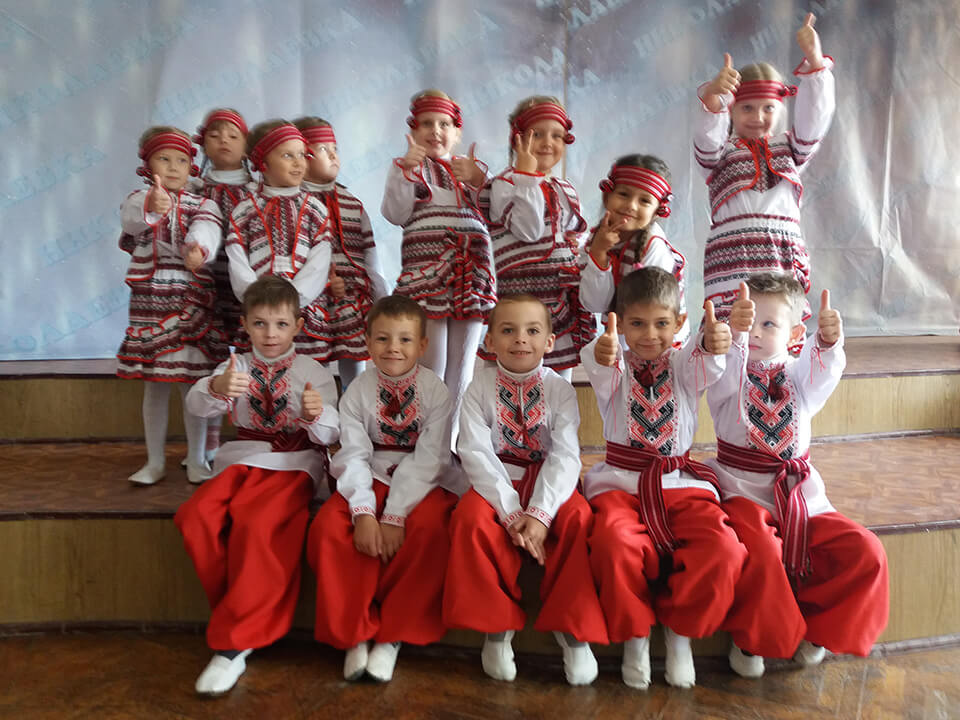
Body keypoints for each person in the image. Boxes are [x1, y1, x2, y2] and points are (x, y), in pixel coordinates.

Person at [706, 273, 889, 678]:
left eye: (768, 323)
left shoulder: (799, 376)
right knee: (762, 553)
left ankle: (822, 632)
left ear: (794, 334)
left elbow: (822, 370)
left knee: (864, 551)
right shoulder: (727, 375)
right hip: (740, 491)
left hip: (800, 495)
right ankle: (752, 640)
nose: (755, 332)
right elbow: (720, 367)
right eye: (747, 321)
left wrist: (827, 342)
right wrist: (733, 336)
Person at [580, 267, 746, 689]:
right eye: (636, 323)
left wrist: (711, 341)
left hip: (681, 484)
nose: (649, 335)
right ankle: (634, 635)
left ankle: (680, 632)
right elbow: (600, 362)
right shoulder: (613, 362)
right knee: (613, 543)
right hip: (620, 484)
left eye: (661, 323)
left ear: (679, 323)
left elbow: (705, 359)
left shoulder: (683, 364)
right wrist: (604, 349)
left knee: (724, 549)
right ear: (618, 323)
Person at [175, 274, 340, 696]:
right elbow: (197, 405)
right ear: (245, 324)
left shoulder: (312, 370)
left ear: (298, 325)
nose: (270, 334)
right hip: (240, 460)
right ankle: (240, 608)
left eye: (281, 324)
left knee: (258, 524)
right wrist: (215, 387)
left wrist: (316, 414)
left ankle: (235, 642)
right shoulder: (236, 366)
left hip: (292, 465)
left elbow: (332, 432)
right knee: (195, 517)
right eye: (261, 324)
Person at [443, 295, 607, 686]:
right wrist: (512, 513)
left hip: (549, 479)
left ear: (549, 342)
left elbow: (566, 454)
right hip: (496, 479)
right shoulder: (478, 388)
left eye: (532, 331)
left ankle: (571, 628)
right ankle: (496, 627)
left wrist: (541, 513)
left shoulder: (560, 389)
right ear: (489, 341)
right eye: (508, 330)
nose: (520, 339)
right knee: (470, 519)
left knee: (578, 518)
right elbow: (474, 451)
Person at [307, 295, 460, 682]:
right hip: (369, 474)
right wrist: (363, 512)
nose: (393, 348)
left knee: (429, 529)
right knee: (329, 529)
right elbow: (353, 453)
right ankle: (353, 632)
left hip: (423, 478)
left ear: (422, 345)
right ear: (367, 342)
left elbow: (432, 457)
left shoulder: (436, 391)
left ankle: (394, 633)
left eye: (405, 339)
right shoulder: (357, 390)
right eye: (382, 338)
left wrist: (393, 515)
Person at [695, 13, 834, 323]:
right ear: (732, 110)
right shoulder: (720, 153)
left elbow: (816, 119)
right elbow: (706, 137)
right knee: (731, 326)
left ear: (780, 108)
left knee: (778, 326)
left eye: (768, 107)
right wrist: (714, 97)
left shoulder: (791, 148)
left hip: (780, 255)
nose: (758, 116)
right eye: (747, 107)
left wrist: (814, 62)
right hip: (731, 256)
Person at [117, 125, 225, 485]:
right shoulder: (138, 198)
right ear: (148, 165)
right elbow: (132, 220)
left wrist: (197, 247)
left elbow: (208, 228)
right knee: (155, 386)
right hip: (150, 302)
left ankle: (196, 459)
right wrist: (152, 205)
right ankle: (155, 461)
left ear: (191, 165)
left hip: (189, 300)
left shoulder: (203, 203)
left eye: (181, 160)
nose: (174, 167)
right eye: (164, 159)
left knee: (191, 384)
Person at [381, 89, 496, 413]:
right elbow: (395, 213)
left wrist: (479, 180)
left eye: (444, 124)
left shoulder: (471, 171)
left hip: (471, 277)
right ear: (413, 130)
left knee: (462, 369)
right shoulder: (409, 169)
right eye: (427, 123)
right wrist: (404, 171)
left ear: (457, 133)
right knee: (432, 363)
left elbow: (497, 213)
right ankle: (427, 433)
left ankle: (451, 437)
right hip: (427, 277)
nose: (435, 131)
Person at [480, 96, 592, 378]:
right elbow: (528, 229)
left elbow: (576, 232)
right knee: (505, 376)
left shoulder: (564, 188)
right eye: (537, 134)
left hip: (556, 297)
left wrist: (578, 248)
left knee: (557, 380)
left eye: (556, 136)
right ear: (517, 139)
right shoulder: (504, 183)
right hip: (517, 296)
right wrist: (527, 176)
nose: (547, 143)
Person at [225, 120, 334, 359]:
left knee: (306, 372)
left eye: (302, 155)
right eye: (287, 155)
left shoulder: (315, 209)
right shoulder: (244, 211)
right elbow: (237, 258)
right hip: (260, 313)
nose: (298, 163)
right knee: (257, 371)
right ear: (263, 164)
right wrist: (255, 298)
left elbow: (320, 260)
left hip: (303, 311)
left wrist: (294, 299)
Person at [294, 116, 387, 389]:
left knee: (354, 357)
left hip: (351, 298)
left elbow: (370, 257)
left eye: (335, 148)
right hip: (313, 300)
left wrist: (382, 301)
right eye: (324, 149)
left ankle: (353, 407)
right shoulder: (294, 203)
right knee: (313, 362)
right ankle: (317, 407)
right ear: (303, 156)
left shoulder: (351, 203)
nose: (334, 156)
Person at [191, 107, 255, 462]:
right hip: (207, 284)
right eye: (214, 135)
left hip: (246, 284)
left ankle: (250, 432)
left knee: (248, 356)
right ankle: (208, 442)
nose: (223, 141)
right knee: (212, 359)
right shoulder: (196, 189)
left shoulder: (256, 189)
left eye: (232, 135)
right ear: (203, 144)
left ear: (247, 145)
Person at [579, 154, 689, 345]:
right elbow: (594, 304)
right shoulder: (597, 238)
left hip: (659, 345)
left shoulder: (653, 246)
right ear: (607, 195)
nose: (631, 205)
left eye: (644, 201)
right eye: (623, 194)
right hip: (626, 341)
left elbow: (650, 314)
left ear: (657, 211)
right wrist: (598, 253)